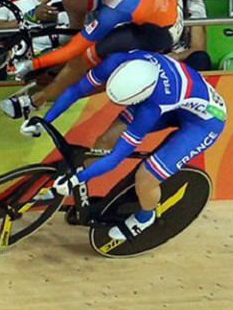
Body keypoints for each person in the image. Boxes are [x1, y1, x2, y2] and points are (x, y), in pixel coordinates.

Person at [33, 50, 226, 241]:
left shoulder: (152, 107)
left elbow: (116, 157)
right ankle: (81, 194)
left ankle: (145, 217)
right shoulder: (119, 58)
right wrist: (45, 120)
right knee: (106, 140)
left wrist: (75, 179)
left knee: (146, 177)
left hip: (204, 123)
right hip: (174, 101)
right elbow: (77, 90)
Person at [1, 0, 183, 125]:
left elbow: (74, 49)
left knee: (83, 57)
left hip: (163, 30)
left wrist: (33, 64)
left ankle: (36, 101)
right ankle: (60, 69)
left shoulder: (116, 10)